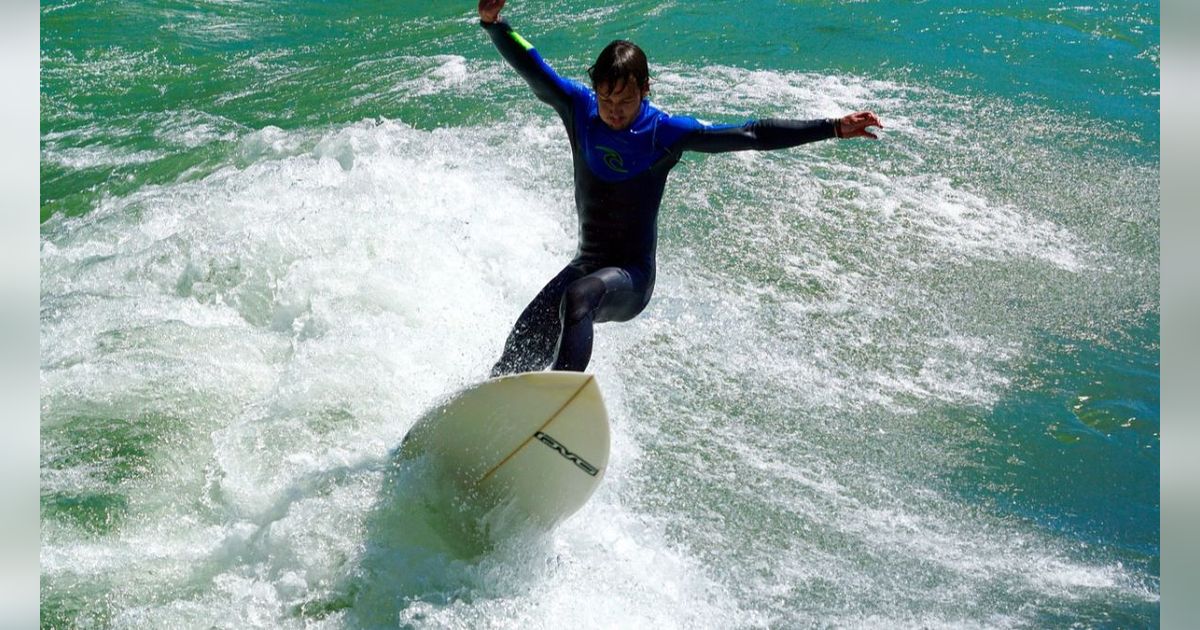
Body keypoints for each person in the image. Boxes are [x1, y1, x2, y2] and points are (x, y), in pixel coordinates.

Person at [478, 0, 882, 377]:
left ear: (645, 90)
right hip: (587, 263)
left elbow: (752, 134)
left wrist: (831, 127)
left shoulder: (664, 132)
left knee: (578, 298)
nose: (614, 111)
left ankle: (558, 405)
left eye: (626, 101)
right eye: (606, 100)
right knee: (521, 342)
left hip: (631, 279)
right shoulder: (579, 111)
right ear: (595, 89)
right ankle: (494, 410)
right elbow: (533, 68)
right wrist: (494, 25)